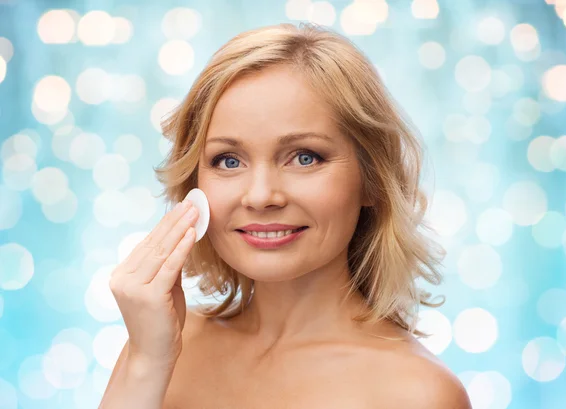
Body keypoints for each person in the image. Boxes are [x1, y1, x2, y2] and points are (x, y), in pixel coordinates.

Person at [99, 22, 472, 409]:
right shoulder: (160, 347)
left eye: (304, 157)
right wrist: (146, 363)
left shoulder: (417, 393)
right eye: (228, 160)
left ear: (372, 180)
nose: (261, 196)